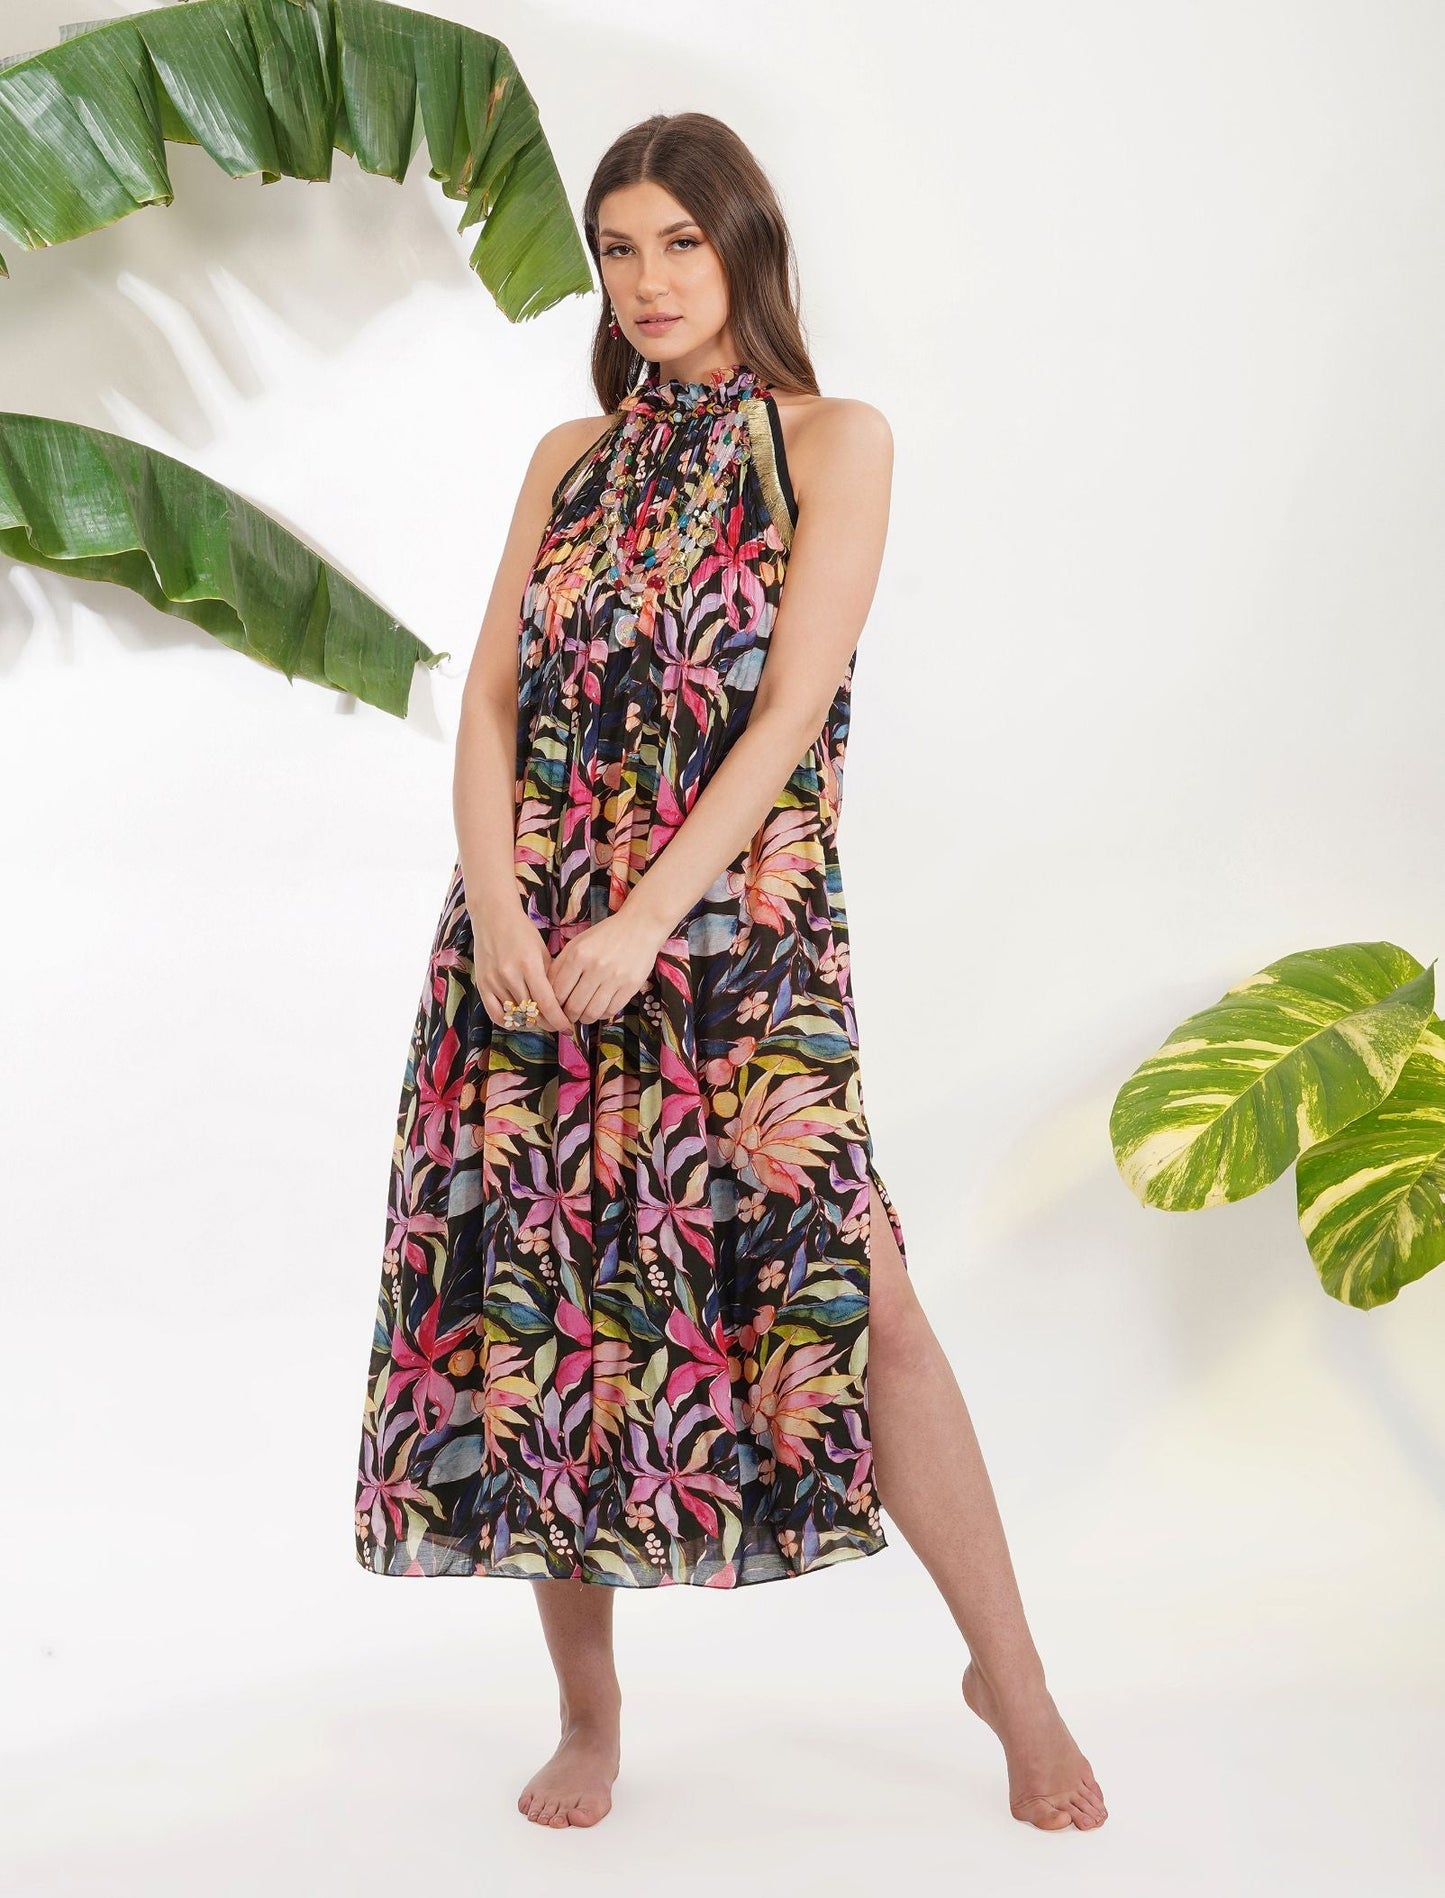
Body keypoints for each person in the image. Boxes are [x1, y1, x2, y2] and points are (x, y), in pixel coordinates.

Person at [353, 110, 1107, 1837]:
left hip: (732, 938)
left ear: (744, 248)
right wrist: (502, 912)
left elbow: (787, 713)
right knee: (543, 1311)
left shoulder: (833, 441)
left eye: (678, 243)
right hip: (530, 945)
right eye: (617, 249)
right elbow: (488, 700)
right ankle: (589, 1711)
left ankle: (1015, 1682)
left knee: (868, 1298)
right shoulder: (568, 456)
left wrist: (645, 921)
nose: (646, 279)